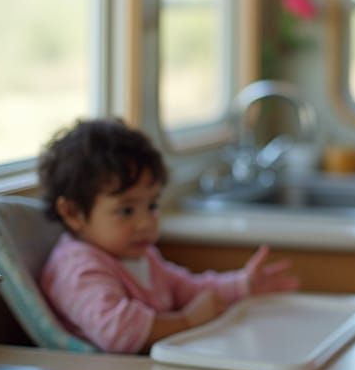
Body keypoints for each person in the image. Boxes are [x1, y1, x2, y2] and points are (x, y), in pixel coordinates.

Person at [38, 118, 299, 353]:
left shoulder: (138, 256)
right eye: (126, 210)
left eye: (152, 205)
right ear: (72, 213)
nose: (145, 222)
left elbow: (187, 288)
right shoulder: (78, 268)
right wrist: (188, 321)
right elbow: (118, 332)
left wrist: (242, 285)